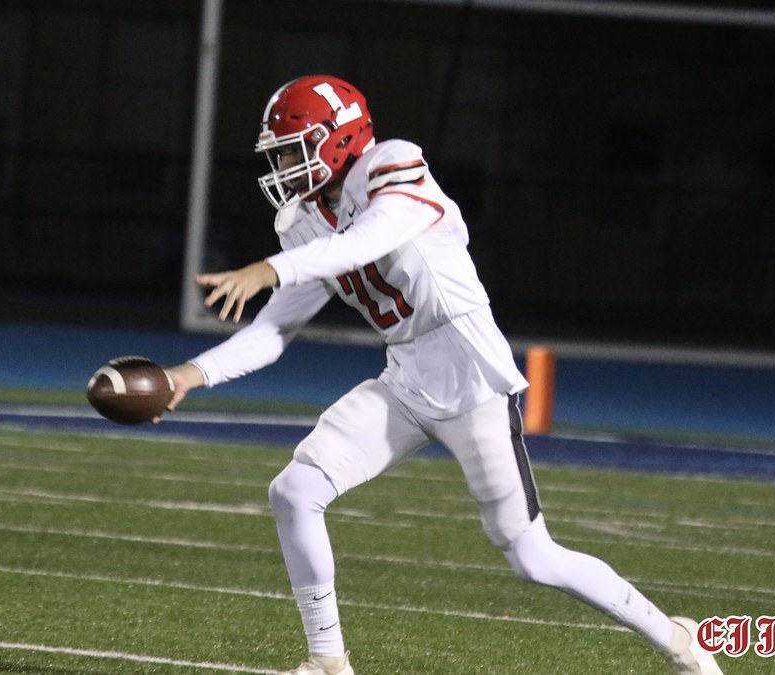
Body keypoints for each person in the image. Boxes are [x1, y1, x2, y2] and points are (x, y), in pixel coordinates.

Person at [161, 75, 722, 675]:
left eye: (293, 149)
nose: (284, 168)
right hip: (405, 378)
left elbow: (364, 242)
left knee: (532, 556)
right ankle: (327, 663)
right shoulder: (302, 223)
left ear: (340, 138)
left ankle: (679, 641)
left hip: (472, 376)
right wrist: (190, 375)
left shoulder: (393, 164)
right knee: (295, 493)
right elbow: (275, 331)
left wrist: (271, 268)